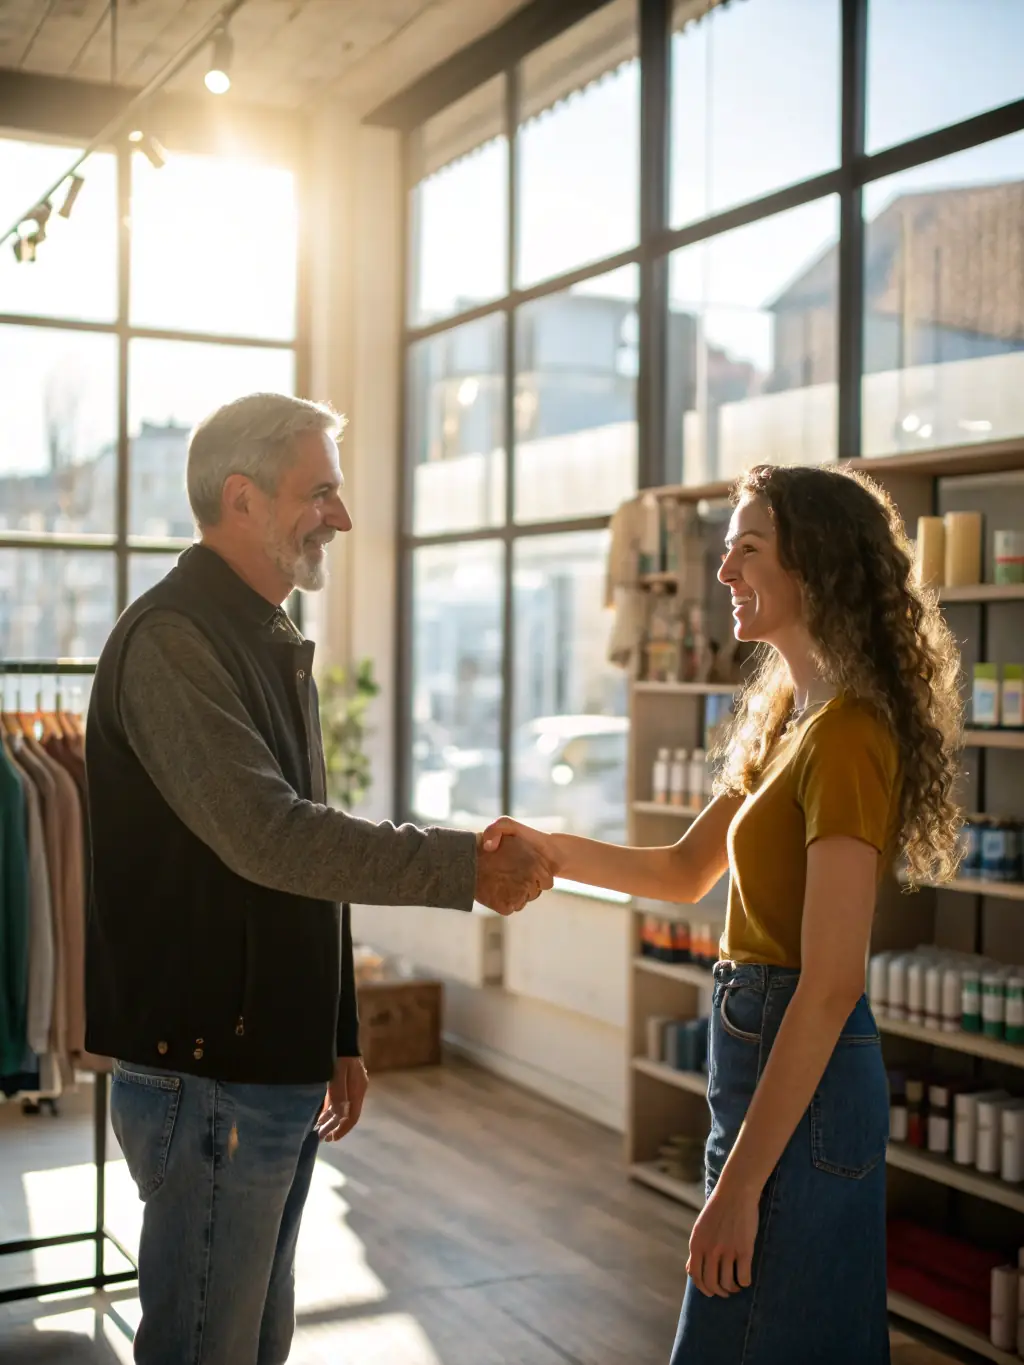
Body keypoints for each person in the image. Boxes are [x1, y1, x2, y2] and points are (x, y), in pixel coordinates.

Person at [84, 392, 553, 1365]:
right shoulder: (174, 643)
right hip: (208, 1077)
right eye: (322, 492)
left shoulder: (268, 637)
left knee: (257, 1344)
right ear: (243, 500)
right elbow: (273, 838)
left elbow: (302, 867)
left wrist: (335, 1029)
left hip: (267, 1070)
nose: (340, 516)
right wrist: (464, 865)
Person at [482, 463, 962, 1365]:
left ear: (815, 564)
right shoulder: (796, 717)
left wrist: (738, 1186)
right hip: (767, 1058)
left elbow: (829, 985)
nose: (725, 570)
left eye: (748, 547)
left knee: (745, 1338)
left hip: (799, 1065)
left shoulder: (851, 733)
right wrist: (552, 845)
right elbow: (681, 869)